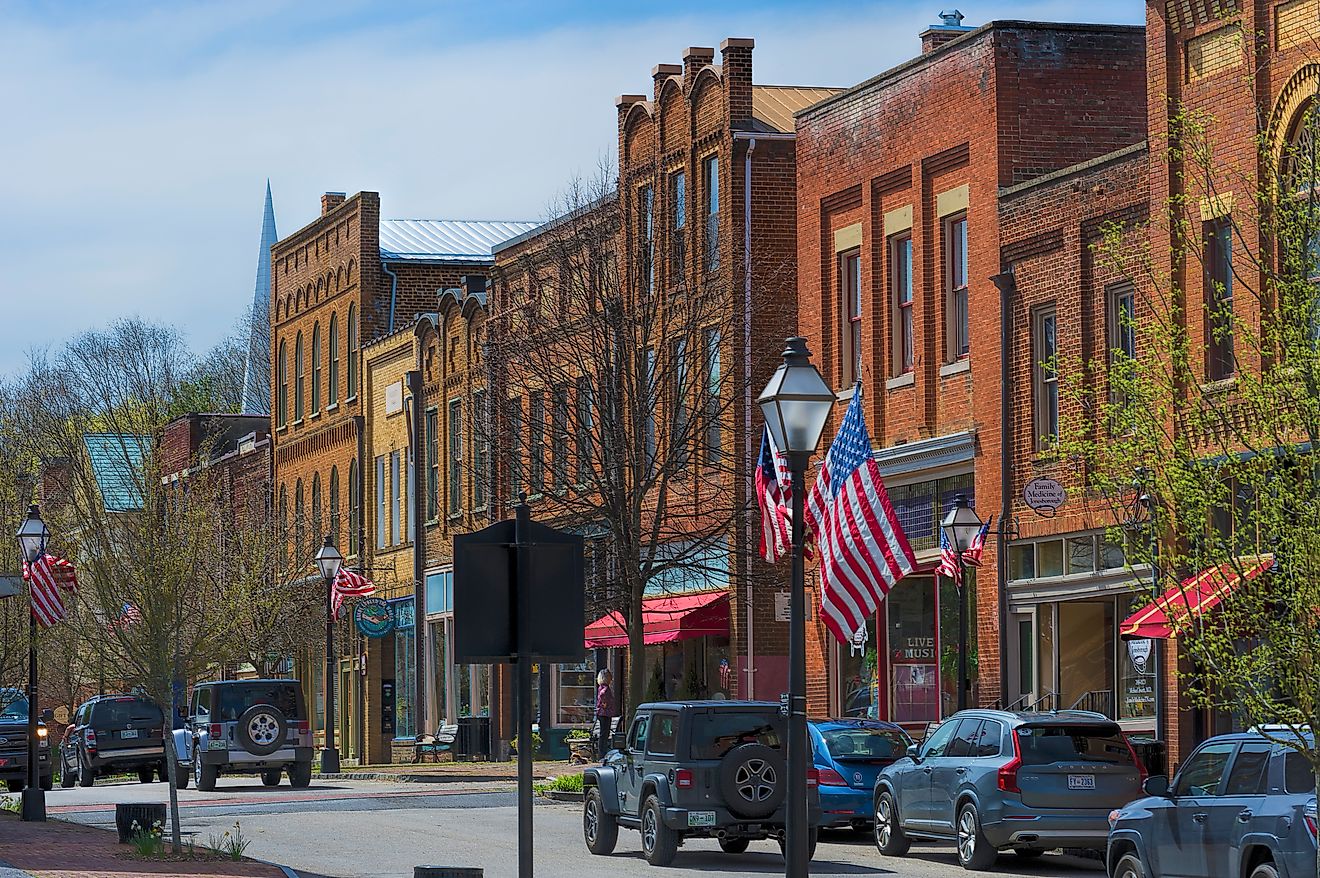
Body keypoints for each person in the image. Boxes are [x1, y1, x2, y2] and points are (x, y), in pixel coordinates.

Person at [594, 669, 618, 760]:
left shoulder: (600, 686)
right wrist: (604, 703)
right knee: (604, 734)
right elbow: (602, 695)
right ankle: (602, 754)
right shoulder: (606, 688)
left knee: (603, 734)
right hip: (605, 713)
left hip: (602, 713)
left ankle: (602, 753)